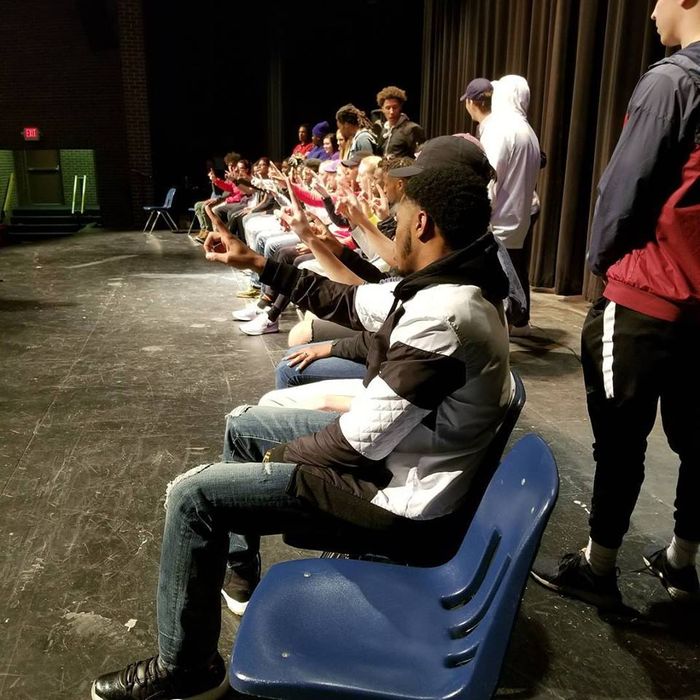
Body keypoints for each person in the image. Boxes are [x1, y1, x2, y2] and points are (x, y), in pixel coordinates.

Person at [90, 153, 512, 700]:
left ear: (424, 223)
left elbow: (354, 446)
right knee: (243, 426)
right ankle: (240, 573)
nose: (390, 226)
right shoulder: (444, 286)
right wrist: (256, 264)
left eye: (396, 216)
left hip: (396, 501)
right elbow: (345, 298)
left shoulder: (446, 315)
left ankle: (187, 669)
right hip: (394, 460)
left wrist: (277, 462)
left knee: (194, 497)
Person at [531, 0, 700, 609]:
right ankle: (682, 561)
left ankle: (599, 568)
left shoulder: (672, 80)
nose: (652, 9)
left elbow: (622, 188)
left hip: (646, 297)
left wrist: (605, 265)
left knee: (620, 442)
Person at [462, 75, 540, 333]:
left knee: (495, 277)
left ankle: (499, 326)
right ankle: (516, 320)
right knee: (513, 271)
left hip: (500, 217)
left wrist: (478, 214)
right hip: (518, 216)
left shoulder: (501, 129)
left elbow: (490, 177)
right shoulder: (527, 131)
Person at [376, 85, 425, 157]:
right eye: (388, 108)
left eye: (395, 107)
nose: (391, 112)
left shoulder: (412, 129)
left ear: (400, 107)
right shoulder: (384, 129)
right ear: (382, 109)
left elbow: (420, 157)